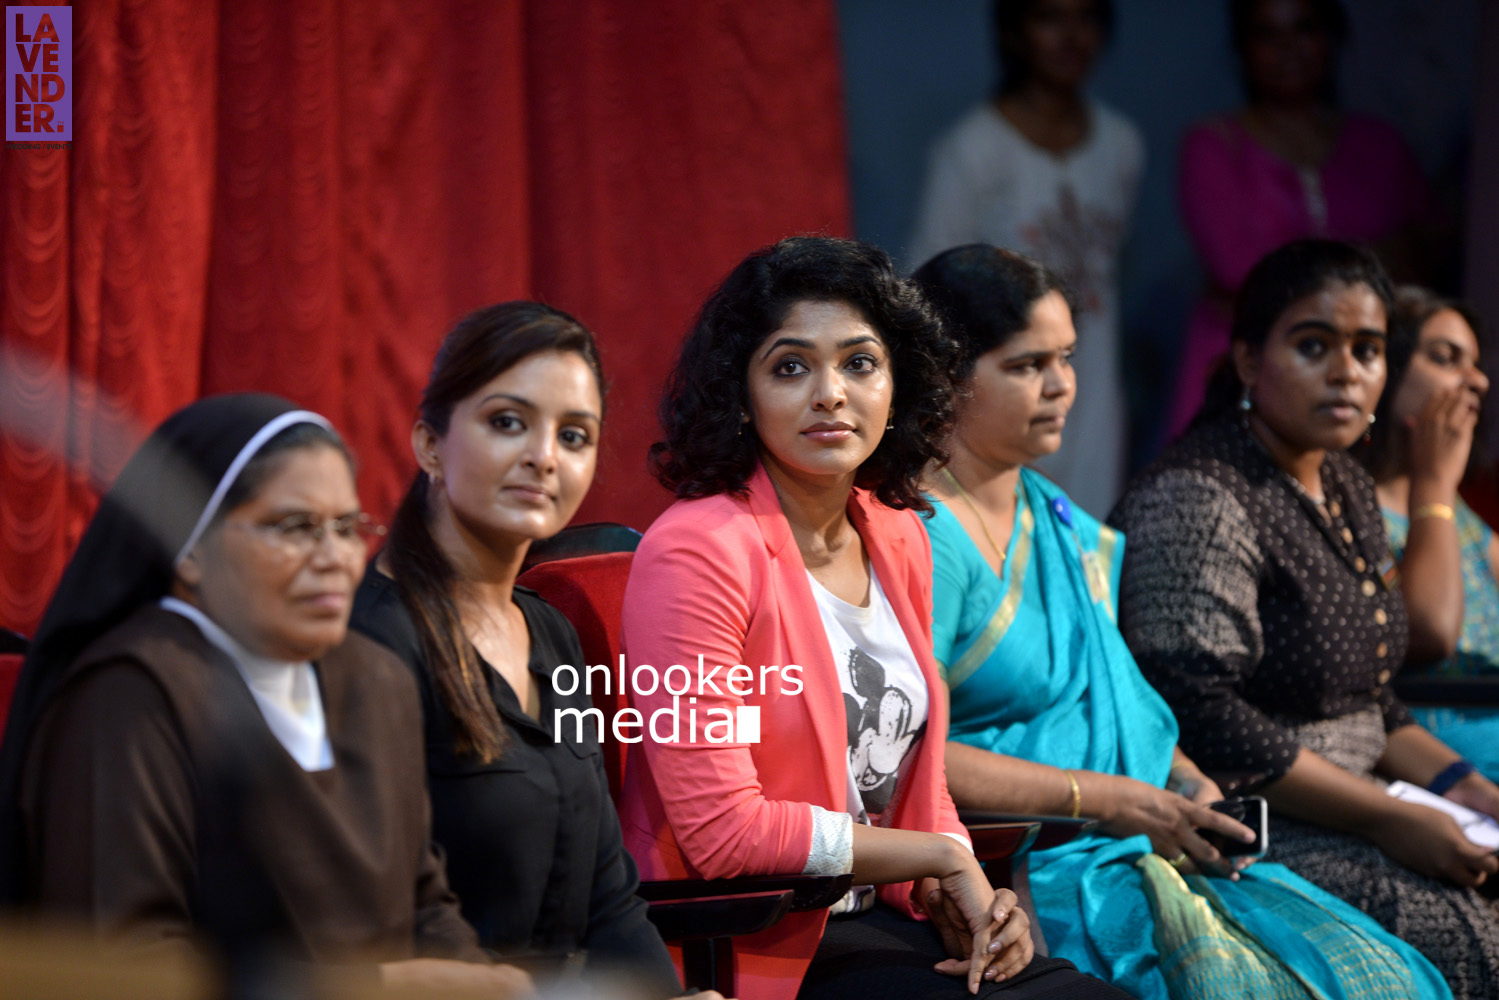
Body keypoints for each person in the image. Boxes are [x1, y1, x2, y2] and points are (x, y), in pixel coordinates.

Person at [912, 243, 1451, 999]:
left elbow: (1126, 701)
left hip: (1141, 831)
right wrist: (1115, 801)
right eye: (1026, 365)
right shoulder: (923, 534)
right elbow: (910, 756)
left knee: (1383, 976)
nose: (1061, 386)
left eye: (1065, 358)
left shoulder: (1059, 521)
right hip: (1030, 862)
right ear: (944, 375)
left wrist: (1190, 787)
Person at [617, 236, 1129, 1000]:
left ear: (900, 384)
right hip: (759, 937)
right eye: (790, 367)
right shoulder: (696, 551)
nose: (830, 393)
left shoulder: (896, 530)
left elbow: (915, 784)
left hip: (885, 920)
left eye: (859, 363)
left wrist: (977, 894)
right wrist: (936, 857)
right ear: (740, 392)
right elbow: (723, 835)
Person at [0, 393, 529, 995]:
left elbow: (426, 906)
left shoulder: (376, 679)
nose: (335, 558)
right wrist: (371, 988)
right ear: (192, 549)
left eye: (346, 527)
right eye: (297, 527)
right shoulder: (130, 697)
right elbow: (126, 968)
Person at [1110, 239, 1499, 998]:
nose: (1346, 371)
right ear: (1250, 362)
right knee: (1475, 935)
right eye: (1313, 345)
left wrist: (1472, 791)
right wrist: (1388, 820)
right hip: (1255, 822)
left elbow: (1374, 699)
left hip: (1366, 805)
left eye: (1367, 349)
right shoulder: (1199, 496)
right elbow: (1197, 713)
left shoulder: (1342, 484)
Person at [348, 303, 681, 996]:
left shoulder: (553, 633)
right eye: (507, 422)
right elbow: (374, 928)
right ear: (429, 445)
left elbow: (608, 897)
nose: (543, 456)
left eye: (574, 435)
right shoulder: (368, 644)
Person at [909, 0, 1142, 518]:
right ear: (1014, 32)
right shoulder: (972, 149)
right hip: (998, 386)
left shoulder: (1121, 145)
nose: (1070, 36)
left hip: (1094, 383)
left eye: (1086, 17)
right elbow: (927, 293)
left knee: (1086, 533)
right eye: (1049, 17)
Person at [1166, 0, 1437, 438]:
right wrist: (1375, 256)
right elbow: (1242, 272)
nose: (1287, 48)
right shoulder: (1215, 146)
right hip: (1245, 371)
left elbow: (1427, 254)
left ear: (1332, 39)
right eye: (1267, 34)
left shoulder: (1381, 144)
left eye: (1304, 28)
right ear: (1241, 48)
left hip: (1357, 372)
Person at [1359, 287, 1499, 776]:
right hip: (1435, 740)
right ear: (1387, 370)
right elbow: (1431, 631)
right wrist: (1434, 481)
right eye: (1446, 359)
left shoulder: (1466, 521)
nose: (1477, 381)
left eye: (1476, 364)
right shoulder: (1351, 504)